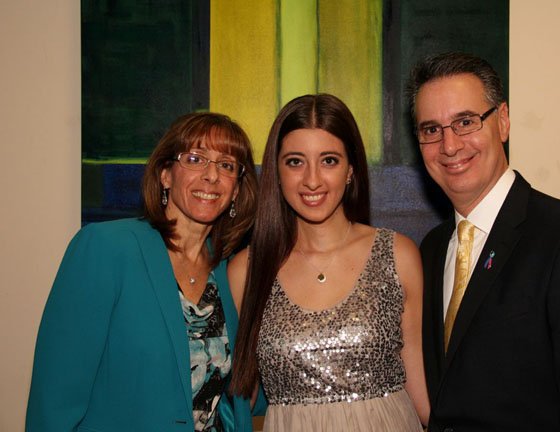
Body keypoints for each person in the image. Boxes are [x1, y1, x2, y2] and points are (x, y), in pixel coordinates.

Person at [407, 51, 560, 431]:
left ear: (502, 121)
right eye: (431, 130)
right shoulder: (432, 249)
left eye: (466, 122)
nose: (449, 145)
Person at [26, 112, 263, 431]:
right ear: (166, 175)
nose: (211, 175)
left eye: (226, 165)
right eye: (195, 158)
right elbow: (54, 400)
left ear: (235, 190)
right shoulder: (105, 248)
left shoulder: (231, 273)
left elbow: (246, 392)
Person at [228, 93, 430, 431]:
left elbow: (422, 393)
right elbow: (237, 400)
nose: (312, 180)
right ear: (276, 172)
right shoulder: (246, 270)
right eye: (295, 161)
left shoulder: (398, 254)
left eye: (329, 161)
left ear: (351, 169)